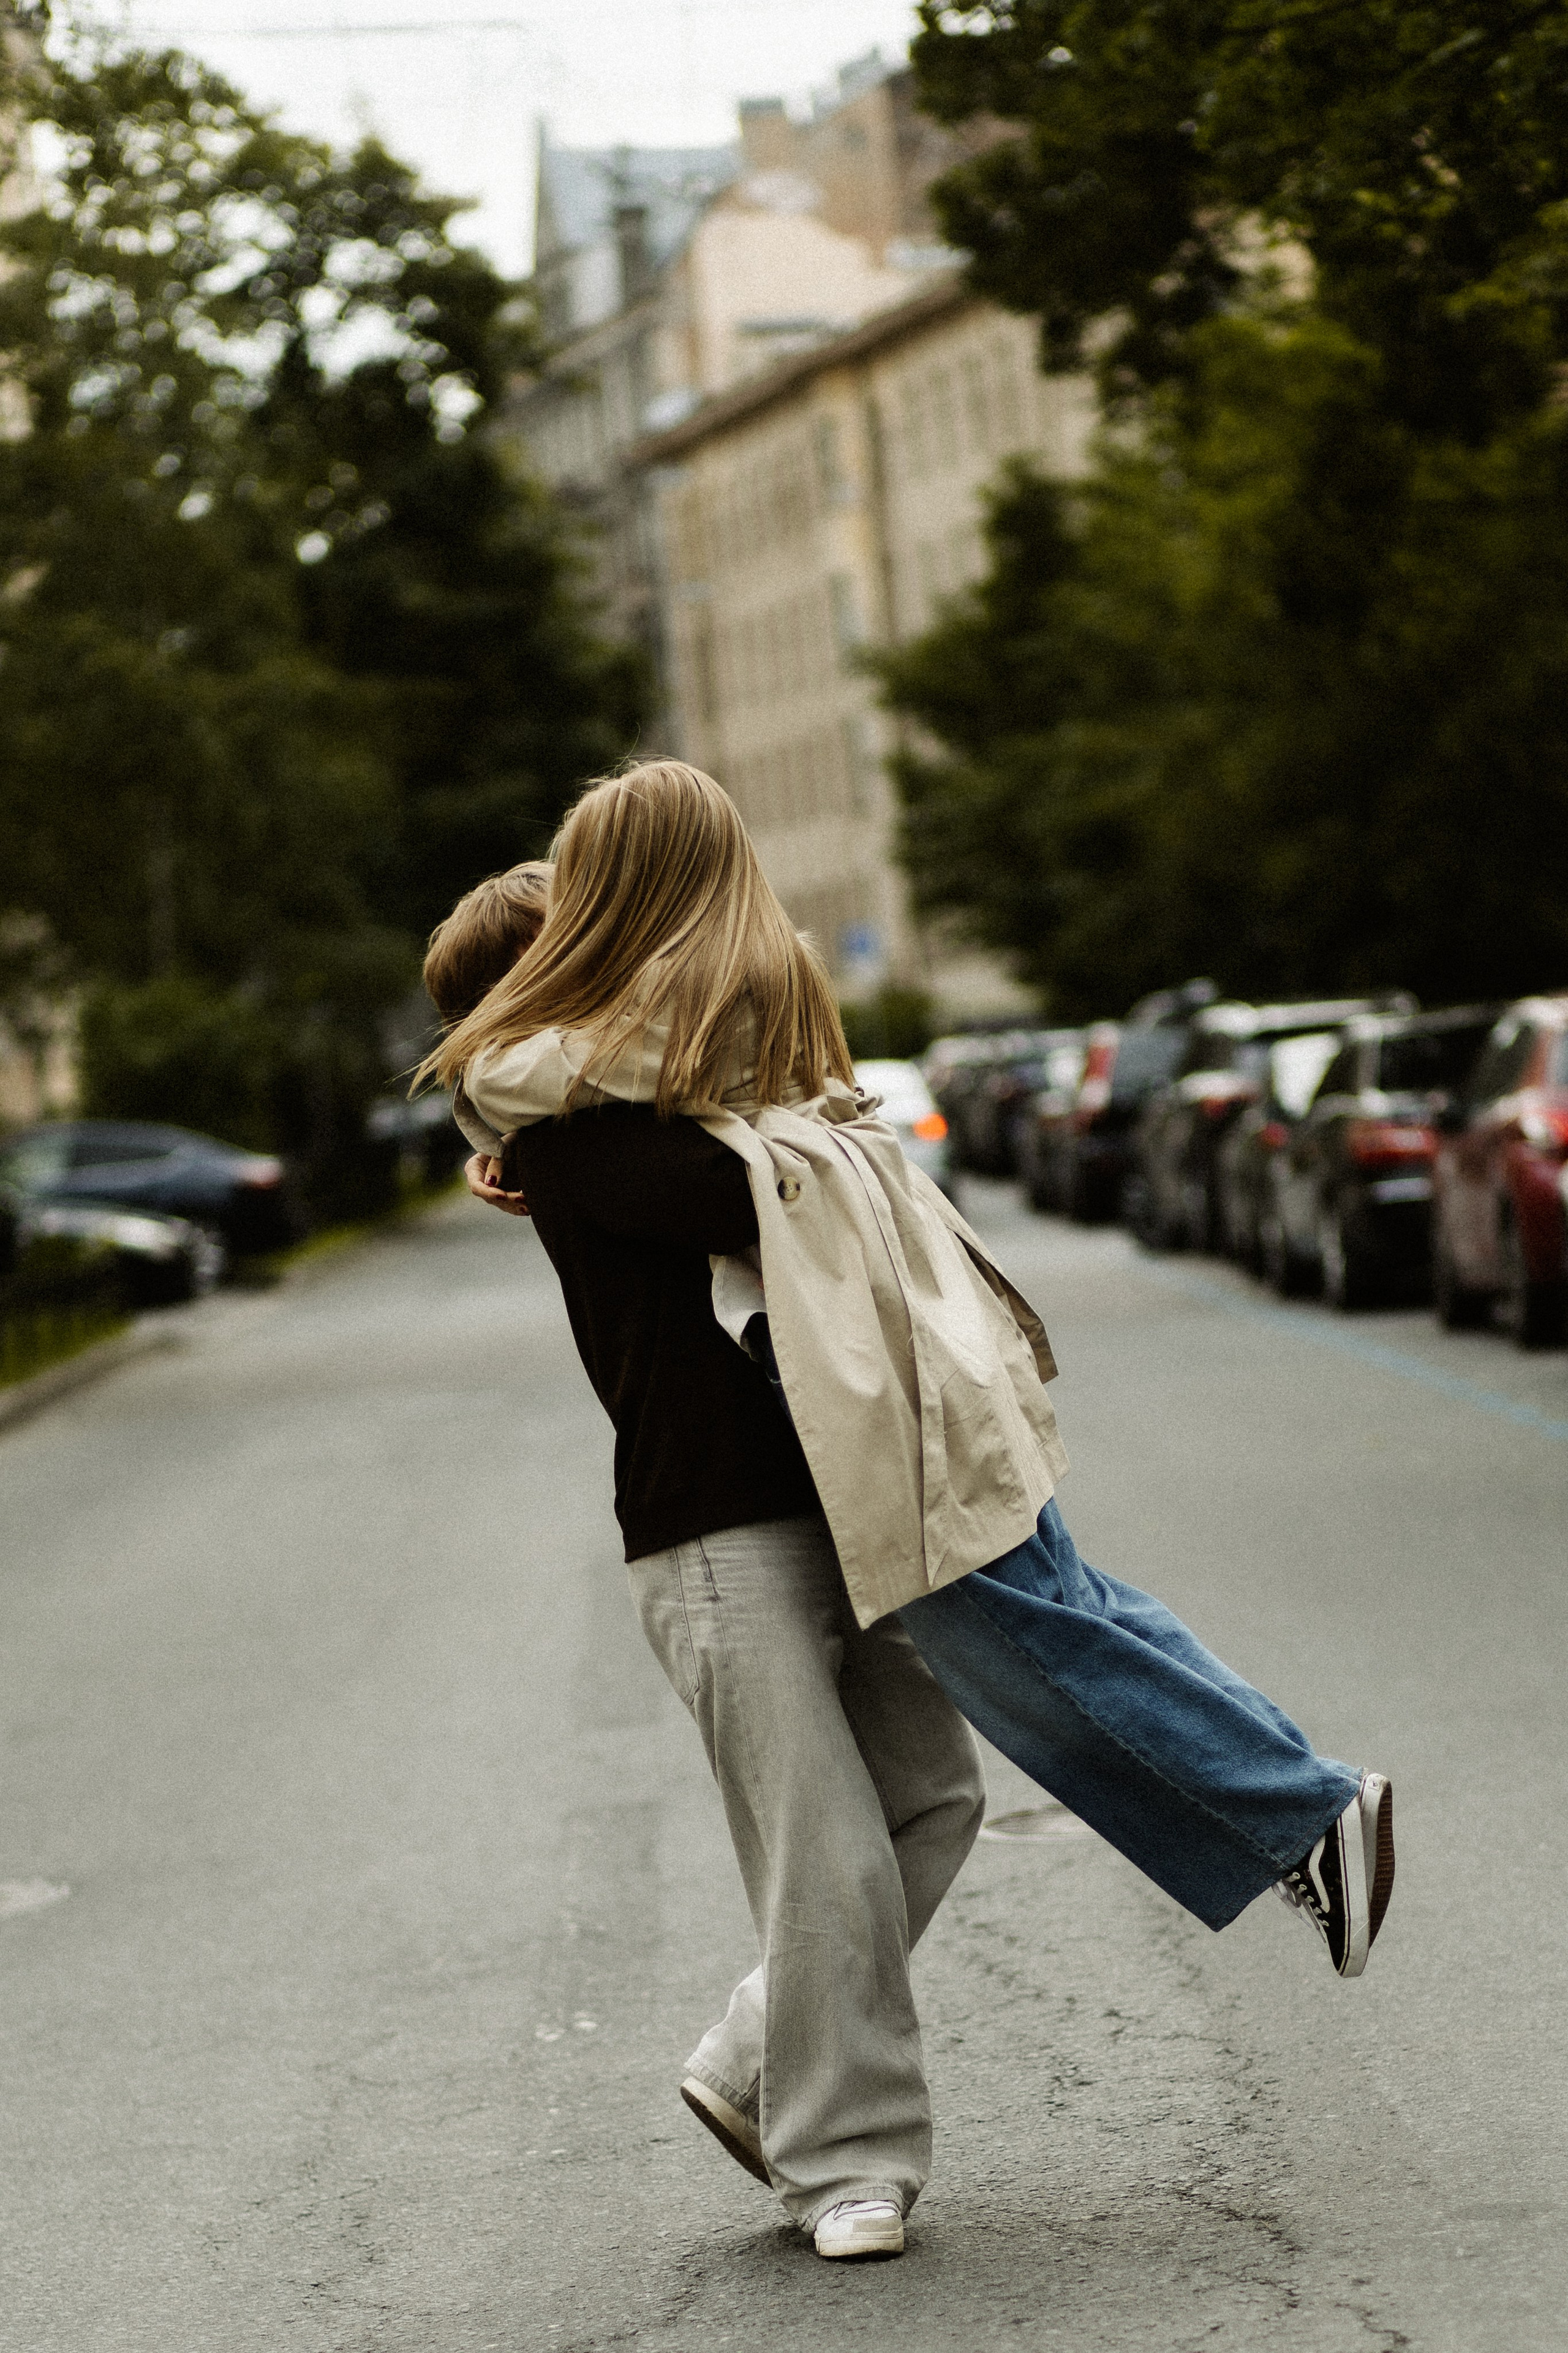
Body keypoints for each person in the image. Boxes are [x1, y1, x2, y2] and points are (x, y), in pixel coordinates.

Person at [426, 762, 1395, 2260]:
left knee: (929, 1802)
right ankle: (845, 2164)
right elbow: (735, 1194)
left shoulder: (697, 1081)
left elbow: (794, 1147)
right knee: (822, 1839)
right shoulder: (569, 1108)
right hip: (713, 1520)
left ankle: (757, 2055)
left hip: (858, 1494)